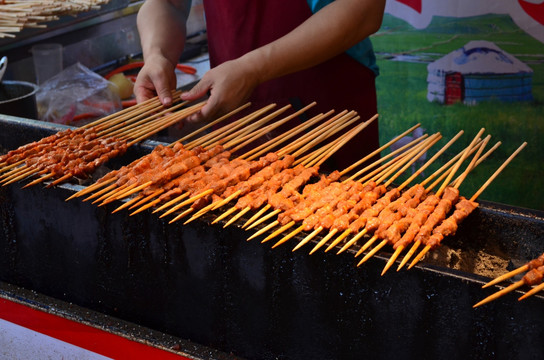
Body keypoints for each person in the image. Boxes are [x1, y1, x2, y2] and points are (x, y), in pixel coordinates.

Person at [134, 0, 385, 170]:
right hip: (233, 117)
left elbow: (364, 10)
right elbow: (166, 3)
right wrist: (157, 54)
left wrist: (252, 69)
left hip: (326, 113)